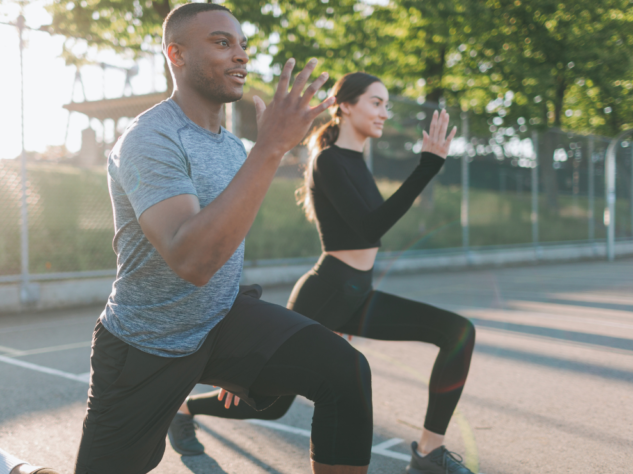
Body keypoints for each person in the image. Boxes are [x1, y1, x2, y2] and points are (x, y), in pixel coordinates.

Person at [0, 4, 376, 474]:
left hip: (221, 321)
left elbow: (224, 243)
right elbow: (192, 259)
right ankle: (2, 466)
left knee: (345, 372)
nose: (240, 55)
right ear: (175, 54)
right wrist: (270, 147)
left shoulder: (228, 146)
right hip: (148, 344)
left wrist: (246, 348)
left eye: (243, 45)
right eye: (223, 43)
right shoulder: (149, 138)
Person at [168, 73, 477, 474]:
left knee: (457, 332)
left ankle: (429, 452)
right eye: (376, 102)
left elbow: (368, 229)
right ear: (346, 105)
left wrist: (426, 167)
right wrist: (427, 168)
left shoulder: (355, 160)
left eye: (387, 104)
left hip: (358, 294)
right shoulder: (328, 160)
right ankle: (184, 408)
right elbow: (369, 228)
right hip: (326, 293)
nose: (385, 112)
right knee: (271, 403)